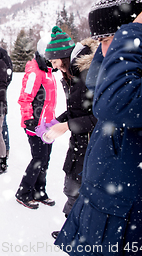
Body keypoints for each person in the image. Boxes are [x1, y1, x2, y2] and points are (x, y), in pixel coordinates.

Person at [55, 0, 142, 255]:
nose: (104, 50)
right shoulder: (129, 68)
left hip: (139, 228)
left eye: (112, 39)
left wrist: (131, 36)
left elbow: (115, 102)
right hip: (104, 218)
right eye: (100, 40)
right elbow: (99, 85)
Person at [36, 26, 97, 238]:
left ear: (64, 56)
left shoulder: (89, 73)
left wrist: (67, 126)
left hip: (93, 142)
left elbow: (101, 117)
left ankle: (76, 232)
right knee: (72, 184)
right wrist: (55, 122)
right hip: (80, 140)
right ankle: (71, 229)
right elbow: (77, 109)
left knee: (80, 187)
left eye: (54, 62)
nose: (54, 68)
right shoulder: (72, 73)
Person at [15, 38, 57, 209]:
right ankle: (23, 193)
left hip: (48, 123)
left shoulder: (48, 70)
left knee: (45, 159)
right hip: (35, 124)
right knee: (38, 158)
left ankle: (39, 191)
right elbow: (25, 97)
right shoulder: (35, 71)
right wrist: (28, 119)